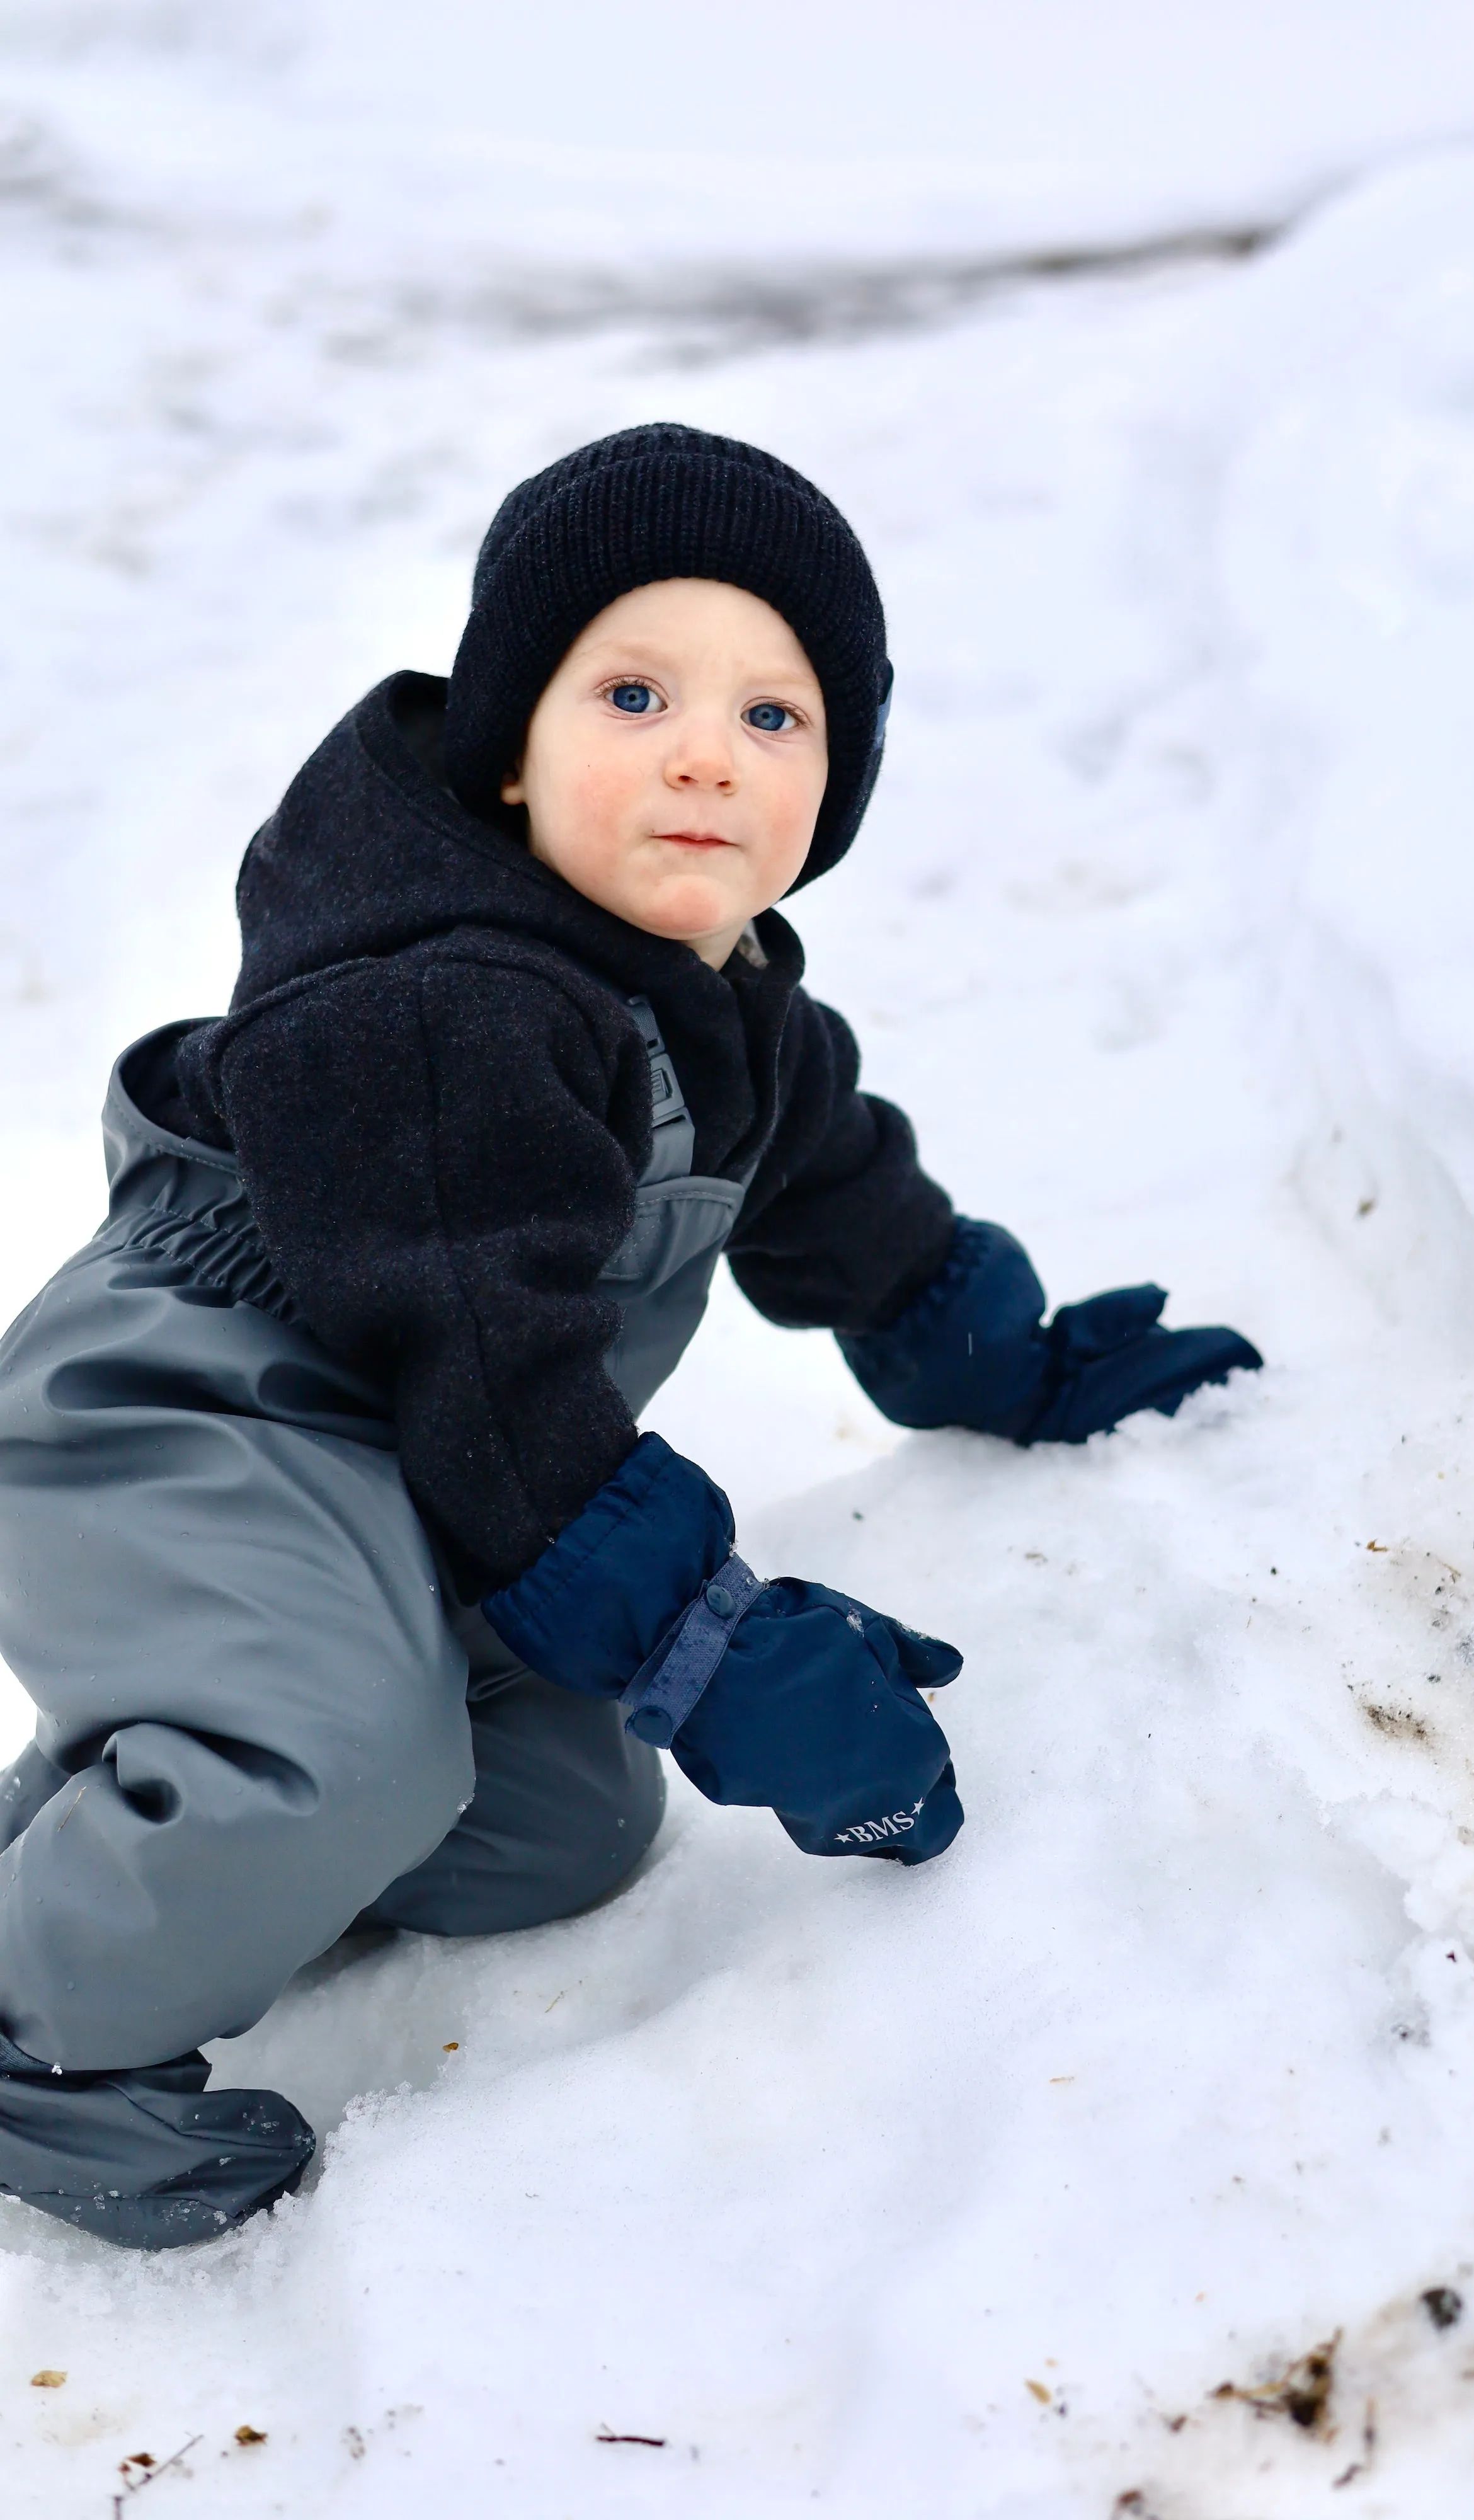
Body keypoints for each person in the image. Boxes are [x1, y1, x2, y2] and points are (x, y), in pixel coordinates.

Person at [0, 425, 1261, 2248]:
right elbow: (503, 1394)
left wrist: (1010, 1362)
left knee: (552, 1829)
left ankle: (178, 1825)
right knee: (346, 1750)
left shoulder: (733, 1005)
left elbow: (854, 1210)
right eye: (637, 689)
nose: (704, 750)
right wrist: (715, 1648)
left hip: (400, 1459)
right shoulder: (441, 1006)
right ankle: (47, 2036)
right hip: (195, 1415)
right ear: (515, 750)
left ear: (833, 795)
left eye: (777, 718)